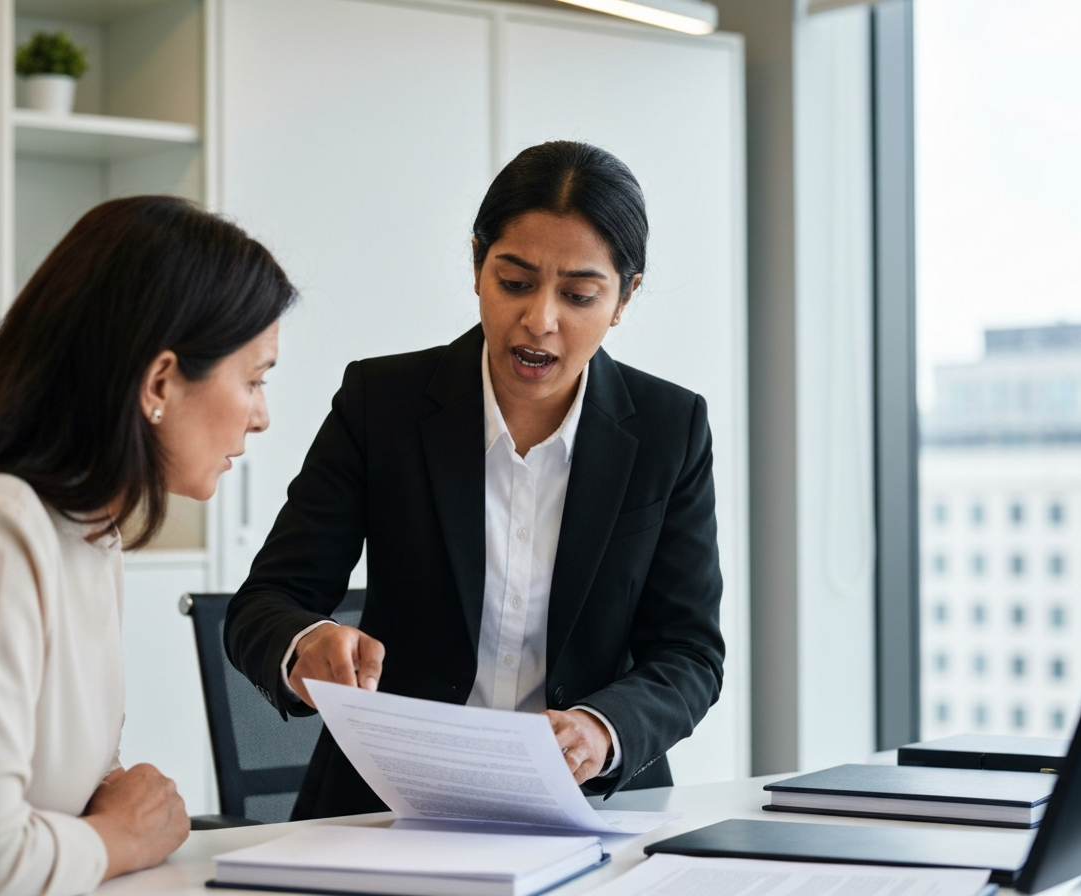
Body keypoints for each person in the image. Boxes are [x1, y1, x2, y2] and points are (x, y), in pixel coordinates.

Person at [224, 141, 725, 821]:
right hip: (386, 805)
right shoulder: (382, 404)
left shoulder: (670, 429)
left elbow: (689, 653)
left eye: (579, 295)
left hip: (590, 811)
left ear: (623, 298)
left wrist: (602, 729)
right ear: (477, 266)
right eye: (514, 282)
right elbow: (265, 601)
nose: (540, 320)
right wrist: (303, 642)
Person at [0, 196, 296, 896]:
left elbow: (60, 793)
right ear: (160, 382)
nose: (262, 416)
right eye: (255, 380)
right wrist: (124, 835)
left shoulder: (88, 529)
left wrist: (111, 809)